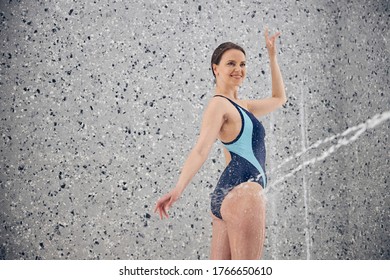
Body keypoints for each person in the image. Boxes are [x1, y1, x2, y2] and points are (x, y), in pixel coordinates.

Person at [154, 27, 286, 260]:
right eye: (231, 63)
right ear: (216, 68)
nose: (239, 69)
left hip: (228, 195)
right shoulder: (219, 105)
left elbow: (279, 98)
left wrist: (272, 57)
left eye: (243, 64)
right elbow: (201, 149)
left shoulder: (244, 106)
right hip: (243, 192)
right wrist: (178, 189)